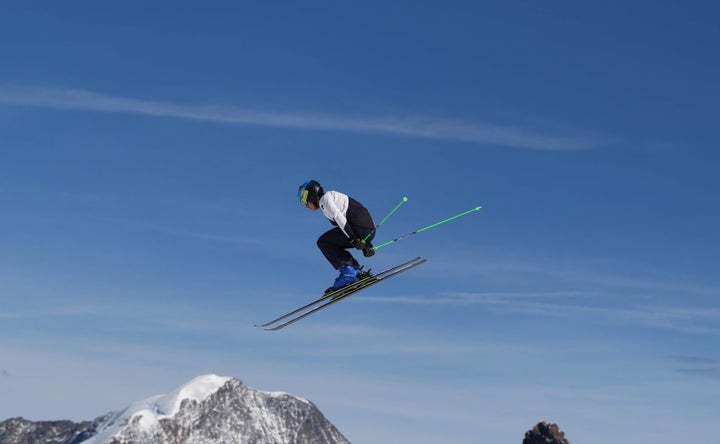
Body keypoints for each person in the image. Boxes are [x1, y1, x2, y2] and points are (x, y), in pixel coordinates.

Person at [298, 179, 376, 292]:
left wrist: (353, 238)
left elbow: (339, 217)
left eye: (305, 201)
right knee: (331, 242)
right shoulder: (330, 198)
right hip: (365, 229)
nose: (306, 205)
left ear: (311, 195)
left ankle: (349, 272)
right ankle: (354, 272)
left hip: (359, 229)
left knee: (324, 242)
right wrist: (366, 243)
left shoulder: (325, 200)